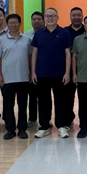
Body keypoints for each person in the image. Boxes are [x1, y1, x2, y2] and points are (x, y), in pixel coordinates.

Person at [31, 7, 72, 139]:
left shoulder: (64, 33)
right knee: (43, 101)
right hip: (42, 73)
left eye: (52, 16)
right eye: (47, 16)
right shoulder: (39, 33)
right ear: (44, 18)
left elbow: (68, 54)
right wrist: (33, 72)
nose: (50, 18)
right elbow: (34, 53)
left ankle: (61, 126)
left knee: (60, 100)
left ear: (57, 17)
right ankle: (44, 126)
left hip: (59, 74)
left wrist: (67, 73)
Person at [0, 13, 31, 140]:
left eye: (16, 22)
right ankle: (10, 129)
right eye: (11, 23)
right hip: (7, 78)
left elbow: (30, 57)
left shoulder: (27, 39)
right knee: (8, 105)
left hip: (23, 77)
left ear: (20, 24)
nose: (13, 25)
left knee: (23, 104)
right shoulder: (1, 40)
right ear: (7, 25)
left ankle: (22, 128)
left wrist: (31, 73)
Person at [64, 7, 85, 129]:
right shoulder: (64, 31)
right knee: (68, 96)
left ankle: (85, 120)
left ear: (82, 16)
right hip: (68, 70)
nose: (76, 17)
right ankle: (68, 119)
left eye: (79, 15)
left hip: (85, 69)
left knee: (85, 98)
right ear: (70, 16)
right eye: (74, 15)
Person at [24, 11, 44, 128]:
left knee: (44, 96)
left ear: (43, 21)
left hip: (44, 69)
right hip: (31, 70)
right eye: (34, 19)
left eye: (39, 19)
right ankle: (32, 118)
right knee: (32, 96)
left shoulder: (47, 33)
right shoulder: (26, 36)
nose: (36, 21)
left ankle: (45, 119)